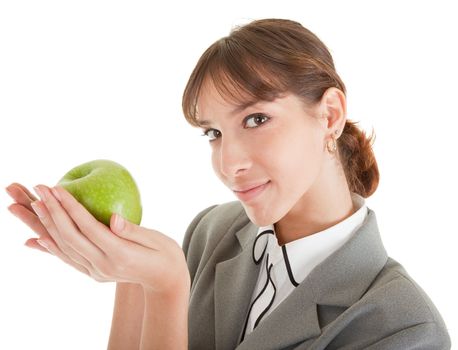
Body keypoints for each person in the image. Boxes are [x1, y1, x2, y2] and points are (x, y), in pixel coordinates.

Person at [6, 18, 451, 350]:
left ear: (330, 115)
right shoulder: (212, 233)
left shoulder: (405, 328)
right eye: (213, 133)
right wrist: (133, 278)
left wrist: (164, 290)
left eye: (256, 119)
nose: (228, 162)